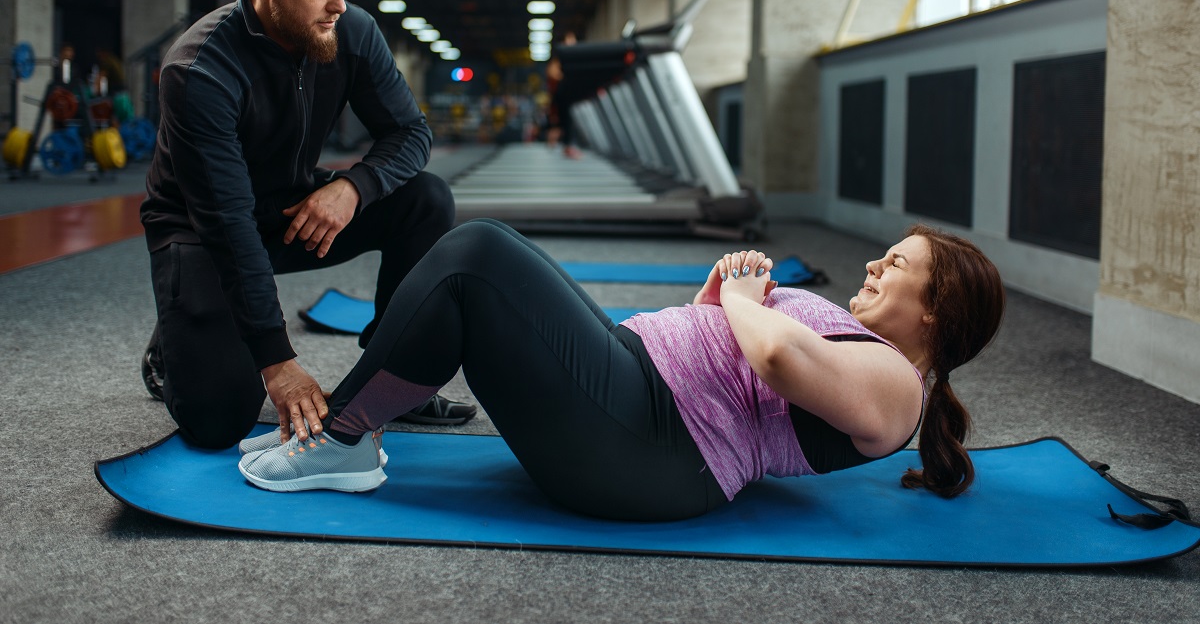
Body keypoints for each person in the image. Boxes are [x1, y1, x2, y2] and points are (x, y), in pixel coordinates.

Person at [237, 218, 1006, 521]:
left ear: (934, 312)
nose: (873, 265)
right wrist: (713, 303)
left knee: (475, 255)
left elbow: (775, 356)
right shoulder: (865, 342)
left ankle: (342, 437)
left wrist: (742, 300)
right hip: (639, 395)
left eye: (895, 264)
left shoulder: (900, 389)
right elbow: (747, 368)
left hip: (649, 447)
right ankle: (352, 429)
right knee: (496, 249)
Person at [139, 0, 475, 451]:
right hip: (200, 231)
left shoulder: (350, 30)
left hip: (291, 207)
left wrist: (353, 186)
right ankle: (173, 340)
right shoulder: (199, 68)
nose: (338, 4)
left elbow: (411, 133)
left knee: (426, 199)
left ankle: (394, 374)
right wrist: (277, 362)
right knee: (218, 422)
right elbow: (227, 222)